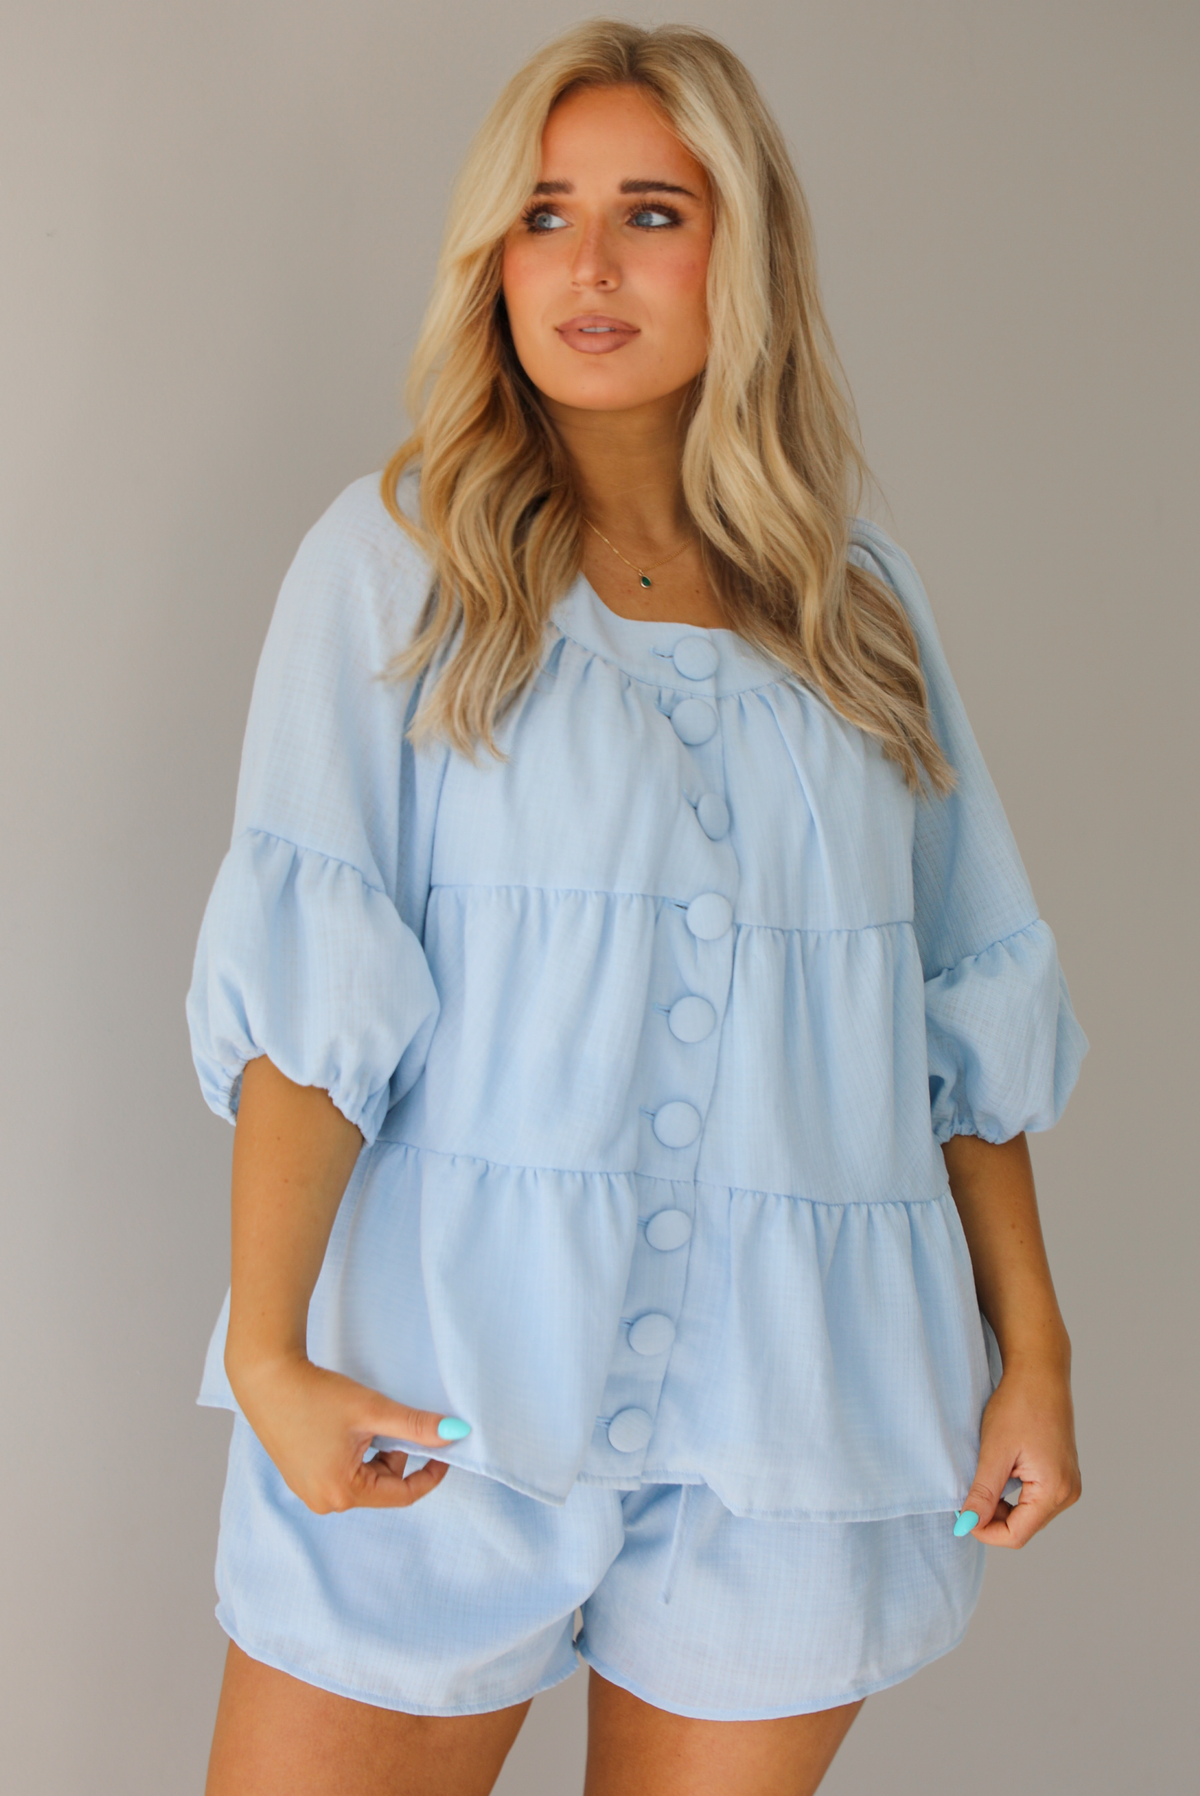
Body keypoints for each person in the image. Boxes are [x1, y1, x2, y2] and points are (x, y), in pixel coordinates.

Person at [187, 20, 1085, 1796]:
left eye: (652, 213)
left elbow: (961, 1006)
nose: (588, 264)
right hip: (439, 1394)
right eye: (542, 215)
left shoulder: (855, 605)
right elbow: (317, 979)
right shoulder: (393, 562)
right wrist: (271, 1352)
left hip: (799, 1410)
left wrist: (1033, 1355)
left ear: (741, 252)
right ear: (491, 261)